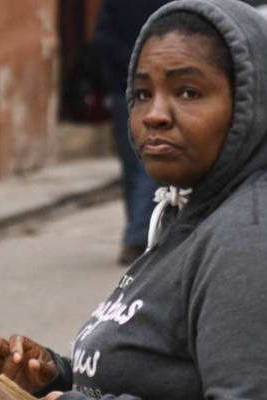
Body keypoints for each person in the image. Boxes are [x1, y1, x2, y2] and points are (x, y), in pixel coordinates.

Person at [0, 1, 267, 398]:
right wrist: (56, 376)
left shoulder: (256, 240)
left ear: (250, 104)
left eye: (188, 91)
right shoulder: (198, 211)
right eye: (142, 93)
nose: (155, 115)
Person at [94, 0, 171, 266]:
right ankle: (138, 236)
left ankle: (139, 235)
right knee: (141, 164)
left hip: (138, 88)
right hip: (140, 89)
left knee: (140, 164)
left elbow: (103, 37)